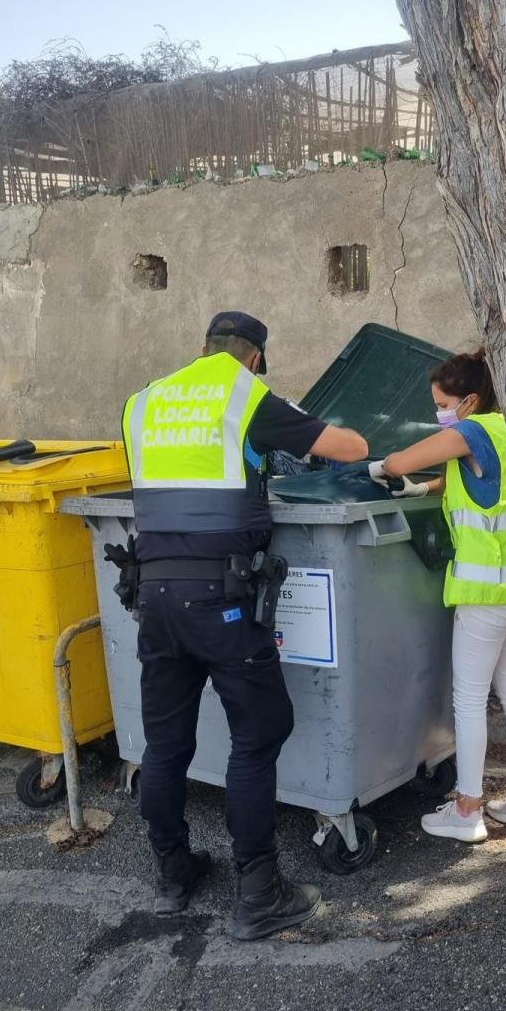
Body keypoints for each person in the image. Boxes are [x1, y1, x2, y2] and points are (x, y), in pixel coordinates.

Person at [122, 311, 368, 934]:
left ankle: (173, 874)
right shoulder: (246, 396)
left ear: (202, 347)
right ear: (254, 358)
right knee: (258, 736)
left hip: (154, 595)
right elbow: (351, 449)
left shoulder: (142, 402)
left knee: (165, 743)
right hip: (223, 598)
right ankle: (258, 894)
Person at [369, 348, 506, 843]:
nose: (439, 414)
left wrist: (382, 467)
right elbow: (472, 482)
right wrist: (421, 491)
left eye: (443, 405)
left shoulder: (468, 431)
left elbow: (400, 460)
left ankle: (467, 810)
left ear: (469, 400)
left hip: (486, 595)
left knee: (469, 700)